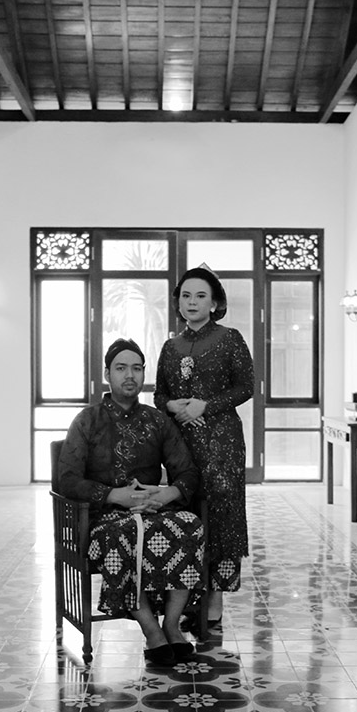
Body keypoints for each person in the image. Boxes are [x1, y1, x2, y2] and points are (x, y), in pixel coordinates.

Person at [58, 338, 205, 666]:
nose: (129, 375)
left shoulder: (157, 420)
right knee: (123, 535)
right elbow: (67, 479)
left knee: (189, 525)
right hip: (104, 516)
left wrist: (167, 494)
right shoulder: (87, 420)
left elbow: (187, 471)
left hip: (154, 509)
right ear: (107, 374)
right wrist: (114, 495)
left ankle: (171, 624)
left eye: (136, 369)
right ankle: (151, 630)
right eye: (121, 368)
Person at [155, 266, 254, 634]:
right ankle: (185, 596)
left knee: (221, 517)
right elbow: (159, 393)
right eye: (186, 296)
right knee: (185, 516)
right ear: (178, 302)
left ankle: (214, 598)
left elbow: (246, 387)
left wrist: (205, 406)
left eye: (200, 296)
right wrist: (173, 406)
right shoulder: (170, 347)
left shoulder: (230, 339)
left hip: (222, 444)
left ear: (214, 303)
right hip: (181, 444)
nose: (192, 302)